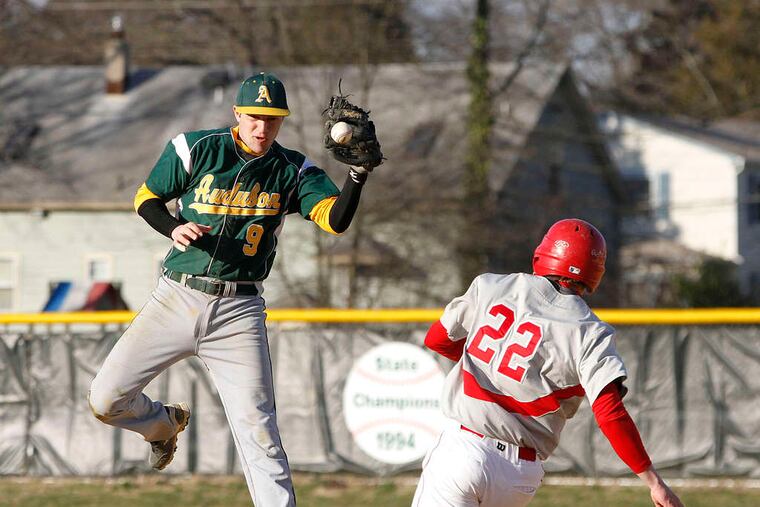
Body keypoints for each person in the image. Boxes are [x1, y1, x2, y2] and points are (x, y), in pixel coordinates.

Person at [88, 72, 380, 507]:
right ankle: (161, 426)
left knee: (258, 429)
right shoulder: (195, 148)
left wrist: (357, 174)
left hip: (239, 312)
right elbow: (146, 198)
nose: (263, 127)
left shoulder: (291, 169)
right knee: (105, 400)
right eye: (255, 117)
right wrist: (172, 226)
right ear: (237, 114)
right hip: (177, 296)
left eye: (273, 119)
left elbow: (334, 221)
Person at [412, 218, 684, 507]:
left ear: (544, 253)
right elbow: (610, 413)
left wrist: (491, 363)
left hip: (463, 450)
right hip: (519, 475)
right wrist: (654, 482)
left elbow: (438, 339)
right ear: (595, 273)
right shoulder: (591, 331)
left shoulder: (490, 286)